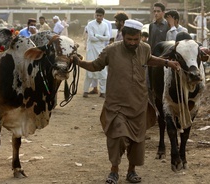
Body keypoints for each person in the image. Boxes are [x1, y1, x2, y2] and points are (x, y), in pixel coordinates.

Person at [72, 19, 181, 184]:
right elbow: (96, 65)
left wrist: (167, 62)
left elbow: (149, 58)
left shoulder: (144, 48)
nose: (132, 43)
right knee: (117, 137)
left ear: (139, 37)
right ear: (122, 36)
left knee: (137, 140)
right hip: (116, 104)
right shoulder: (111, 50)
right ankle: (114, 170)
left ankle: (131, 171)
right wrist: (79, 63)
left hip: (138, 103)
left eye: (136, 39)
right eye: (129, 39)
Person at [83, 7, 110, 98]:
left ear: (103, 16)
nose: (98, 17)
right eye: (97, 15)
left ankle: (103, 92)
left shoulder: (105, 25)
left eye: (100, 15)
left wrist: (97, 35)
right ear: (95, 15)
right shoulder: (90, 24)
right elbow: (91, 38)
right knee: (89, 70)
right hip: (91, 50)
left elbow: (108, 37)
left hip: (101, 50)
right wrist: (101, 37)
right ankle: (85, 91)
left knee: (103, 72)